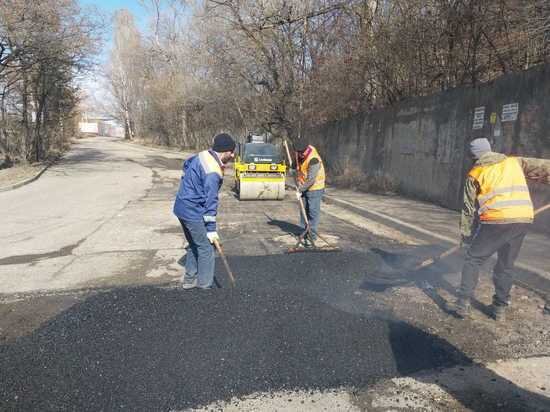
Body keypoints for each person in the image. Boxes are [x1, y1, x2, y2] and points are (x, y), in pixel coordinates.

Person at [450, 137, 550, 320]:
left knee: (473, 259)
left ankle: (463, 303)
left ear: (473, 156)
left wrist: (466, 236)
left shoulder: (475, 173)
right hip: (522, 219)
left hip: (496, 220)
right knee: (506, 264)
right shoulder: (514, 162)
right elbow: (545, 168)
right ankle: (499, 309)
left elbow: (468, 210)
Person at [173, 133, 236, 289]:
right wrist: (211, 229)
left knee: (195, 244)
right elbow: (210, 202)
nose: (233, 155)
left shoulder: (203, 154)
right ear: (225, 151)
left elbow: (186, 165)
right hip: (192, 211)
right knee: (206, 247)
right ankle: (204, 286)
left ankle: (189, 281)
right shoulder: (213, 172)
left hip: (181, 206)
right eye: (232, 152)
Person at [293, 140, 326, 247]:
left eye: (300, 153)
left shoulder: (313, 159)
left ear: (305, 151)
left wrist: (300, 190)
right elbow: (296, 165)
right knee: (303, 210)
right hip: (303, 185)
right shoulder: (299, 153)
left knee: (312, 211)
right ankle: (304, 231)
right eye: (297, 152)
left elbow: (311, 180)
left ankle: (312, 234)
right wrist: (293, 169)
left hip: (315, 187)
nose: (298, 154)